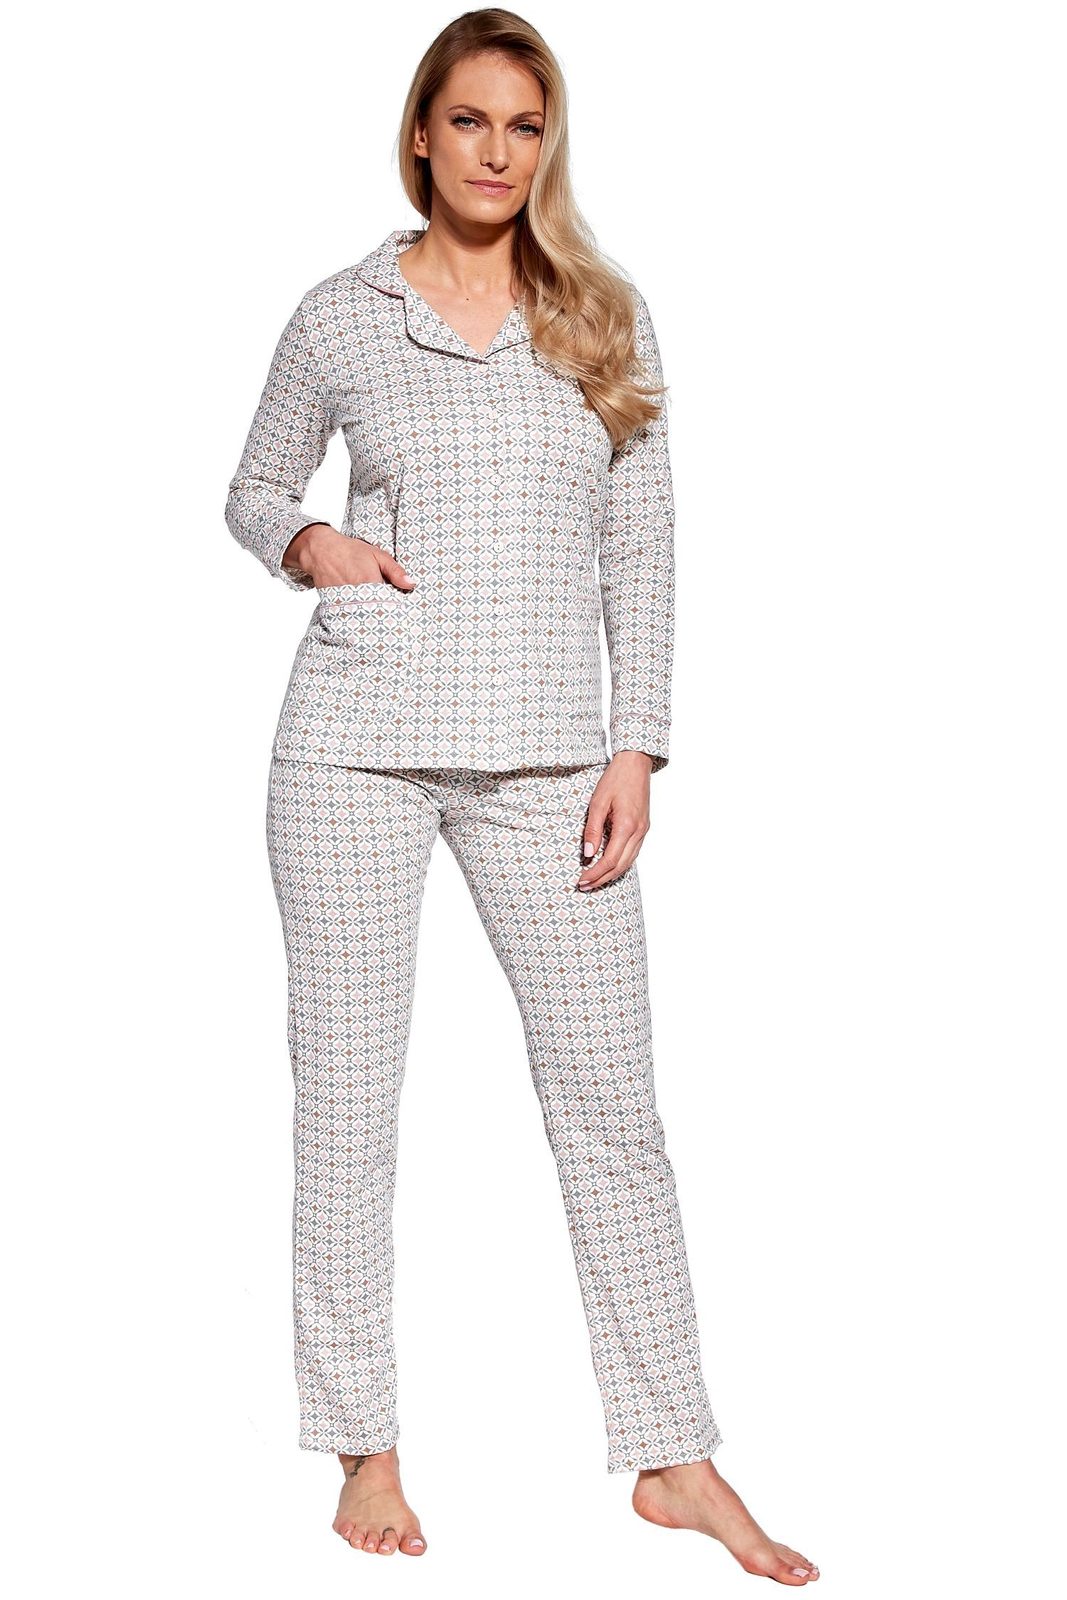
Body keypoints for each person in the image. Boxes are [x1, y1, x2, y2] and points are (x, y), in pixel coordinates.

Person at [224, 7, 819, 1584]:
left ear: (548, 147)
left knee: (611, 1105)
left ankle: (675, 1454)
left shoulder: (603, 315)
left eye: (526, 126)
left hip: (553, 756)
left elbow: (646, 540)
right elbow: (254, 485)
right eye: (472, 120)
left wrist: (639, 746)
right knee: (348, 1106)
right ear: (423, 135)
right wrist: (310, 543)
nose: (498, 151)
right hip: (352, 742)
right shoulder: (340, 314)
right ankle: (362, 1446)